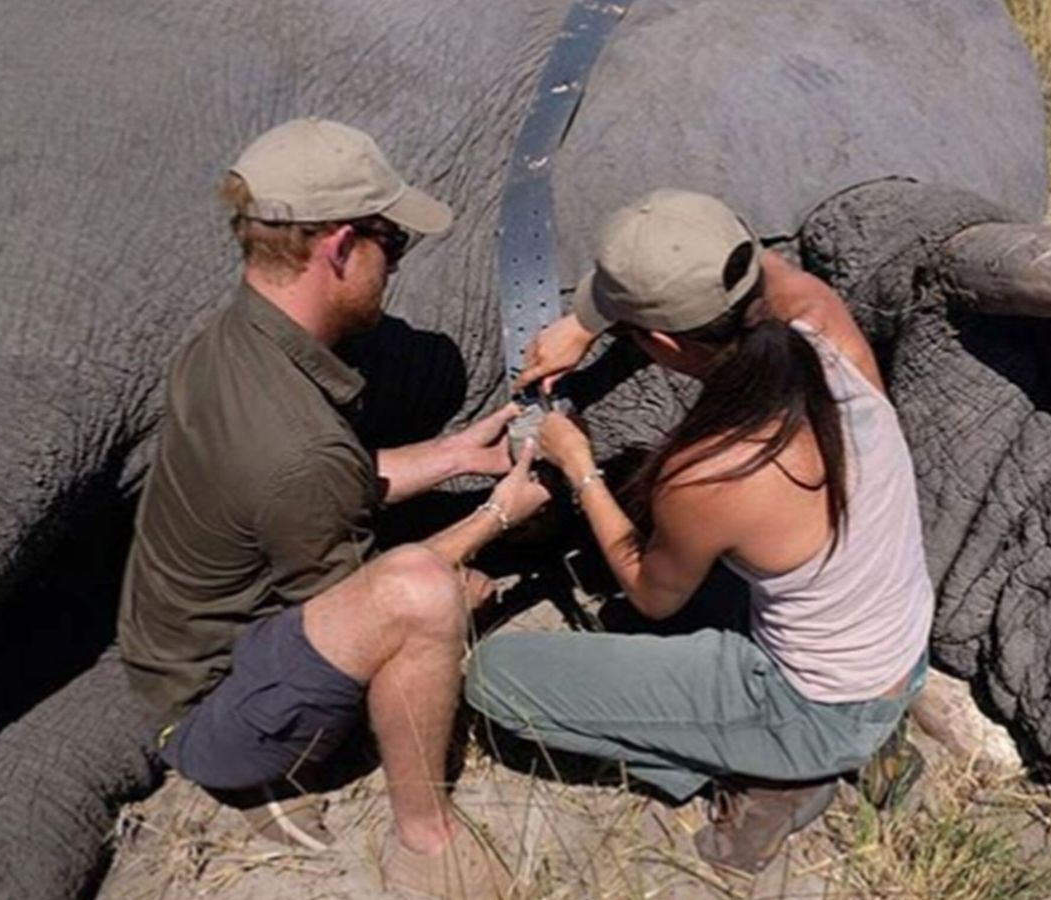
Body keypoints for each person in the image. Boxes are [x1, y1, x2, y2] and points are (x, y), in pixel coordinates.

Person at [117, 118, 550, 900]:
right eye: (393, 244)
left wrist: (455, 455)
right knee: (431, 597)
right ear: (342, 247)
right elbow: (380, 594)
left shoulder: (230, 344)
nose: (394, 267)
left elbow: (315, 482)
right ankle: (424, 841)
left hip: (175, 652)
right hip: (216, 715)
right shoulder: (296, 449)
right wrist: (497, 515)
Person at [462, 189, 933, 873]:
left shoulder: (715, 472)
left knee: (498, 678)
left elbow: (652, 593)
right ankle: (826, 744)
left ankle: (775, 774)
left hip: (816, 708)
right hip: (898, 659)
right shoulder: (821, 320)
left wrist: (579, 465)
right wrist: (584, 323)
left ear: (661, 344)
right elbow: (751, 264)